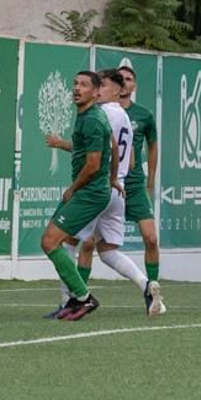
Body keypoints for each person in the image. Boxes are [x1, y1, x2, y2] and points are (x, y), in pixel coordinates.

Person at [72, 69, 165, 317]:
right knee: (107, 250)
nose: (97, 89)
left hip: (100, 186)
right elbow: (132, 160)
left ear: (117, 89)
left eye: (101, 85)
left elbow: (101, 150)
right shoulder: (124, 115)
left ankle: (70, 301)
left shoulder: (101, 114)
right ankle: (147, 286)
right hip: (118, 188)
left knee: (67, 240)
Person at [39, 71, 113, 322]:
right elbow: (106, 147)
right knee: (61, 242)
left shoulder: (92, 119)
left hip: (89, 192)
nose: (76, 89)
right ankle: (75, 297)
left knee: (50, 242)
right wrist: (62, 144)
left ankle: (83, 296)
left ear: (96, 92)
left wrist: (73, 188)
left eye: (83, 85)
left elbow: (93, 164)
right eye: (75, 84)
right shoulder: (87, 117)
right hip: (93, 190)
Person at [118, 65, 163, 296]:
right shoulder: (103, 111)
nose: (124, 83)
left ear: (134, 85)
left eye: (128, 79)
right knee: (89, 243)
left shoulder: (144, 115)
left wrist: (151, 179)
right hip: (110, 185)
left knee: (151, 238)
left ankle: (152, 289)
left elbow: (153, 145)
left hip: (135, 186)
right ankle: (78, 296)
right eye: (120, 79)